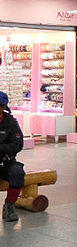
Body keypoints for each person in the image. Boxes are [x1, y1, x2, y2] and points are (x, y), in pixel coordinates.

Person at [0, 92, 25, 222]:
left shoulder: (11, 122)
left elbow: (18, 144)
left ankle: (9, 206)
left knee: (18, 173)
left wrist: (2, 149)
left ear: (4, 107)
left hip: (6, 161)